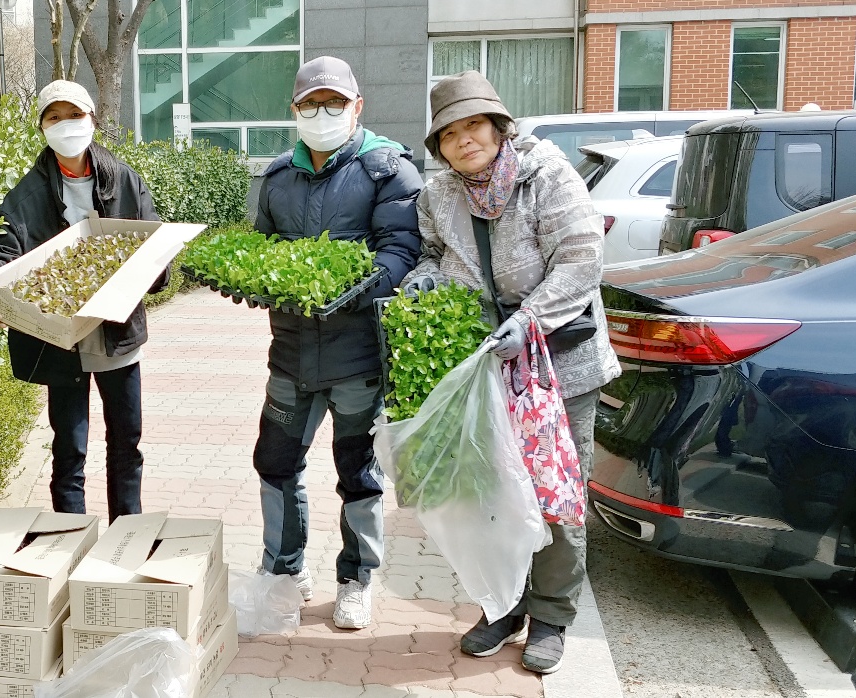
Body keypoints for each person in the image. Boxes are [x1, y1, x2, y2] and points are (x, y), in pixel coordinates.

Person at [400, 70, 621, 673]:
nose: (464, 140)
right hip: (489, 366)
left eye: (474, 125)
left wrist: (529, 320)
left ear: (499, 127)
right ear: (440, 147)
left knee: (554, 494)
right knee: (495, 491)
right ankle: (504, 604)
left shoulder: (546, 176)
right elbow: (435, 254)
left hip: (559, 364)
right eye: (450, 134)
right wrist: (425, 280)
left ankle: (551, 616)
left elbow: (580, 261)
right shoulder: (439, 195)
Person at [252, 56, 423, 630]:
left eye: (334, 104)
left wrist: (351, 289)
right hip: (290, 354)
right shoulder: (279, 177)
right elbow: (262, 251)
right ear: (294, 110)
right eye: (310, 104)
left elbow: (402, 251)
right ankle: (283, 570)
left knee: (358, 471)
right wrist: (258, 279)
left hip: (357, 358)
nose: (321, 113)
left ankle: (356, 578)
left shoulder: (388, 172)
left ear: (357, 107)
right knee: (275, 463)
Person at [0, 80, 165, 523]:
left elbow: (156, 246)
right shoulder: (27, 195)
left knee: (126, 443)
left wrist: (154, 269)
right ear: (42, 128)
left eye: (75, 115)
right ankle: (70, 537)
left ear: (92, 119)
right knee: (69, 449)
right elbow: (0, 253)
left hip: (117, 337)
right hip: (61, 344)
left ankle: (126, 534)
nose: (66, 125)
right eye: (54, 117)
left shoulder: (124, 180)